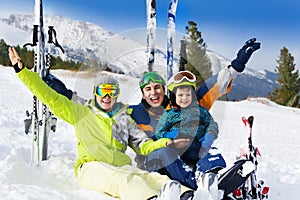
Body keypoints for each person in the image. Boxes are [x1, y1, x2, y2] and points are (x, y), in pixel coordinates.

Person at [41, 38, 261, 191]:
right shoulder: (133, 113)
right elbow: (98, 107)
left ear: (164, 90)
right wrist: (63, 92)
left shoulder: (182, 103)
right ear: (143, 92)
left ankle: (216, 176)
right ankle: (198, 183)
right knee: (166, 151)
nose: (154, 92)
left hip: (190, 157)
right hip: (162, 165)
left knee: (207, 147)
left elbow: (213, 87)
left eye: (158, 88)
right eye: (148, 89)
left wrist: (235, 66)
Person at [8, 47, 205, 200]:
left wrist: (164, 143)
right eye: (103, 91)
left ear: (117, 94)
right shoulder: (79, 111)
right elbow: (49, 97)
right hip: (92, 167)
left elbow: (142, 144)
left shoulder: (124, 118)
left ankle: (187, 195)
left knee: (150, 177)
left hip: (120, 165)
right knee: (122, 181)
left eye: (112, 91)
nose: (107, 96)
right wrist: (22, 71)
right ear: (96, 93)